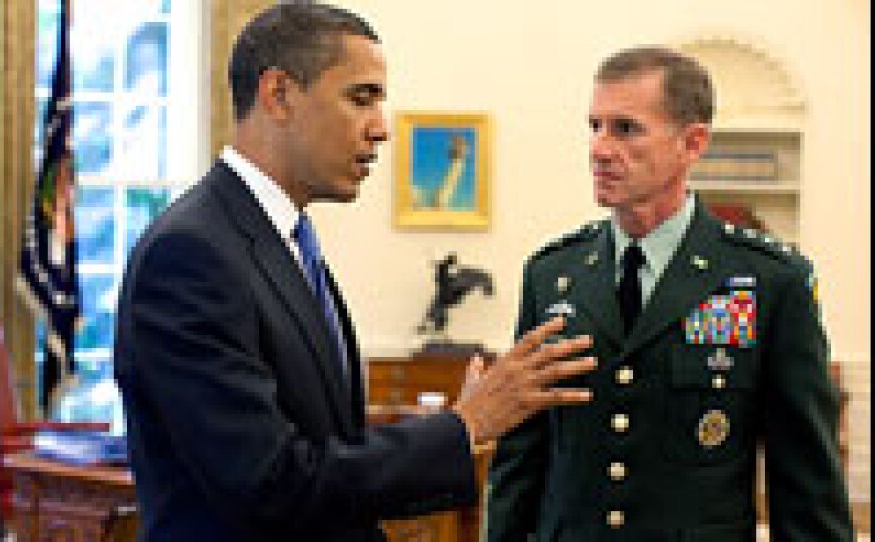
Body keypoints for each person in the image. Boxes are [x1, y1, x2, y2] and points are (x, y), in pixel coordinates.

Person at [113, 3, 597, 541]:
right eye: (361, 98)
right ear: (279, 94)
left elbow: (326, 447)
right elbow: (270, 484)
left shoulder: (285, 240)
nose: (382, 129)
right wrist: (462, 428)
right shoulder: (191, 254)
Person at [485, 46, 855, 541]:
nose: (599, 149)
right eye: (594, 126)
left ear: (692, 142)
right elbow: (520, 466)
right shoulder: (553, 274)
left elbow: (807, 488)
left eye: (626, 129)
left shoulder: (769, 281)